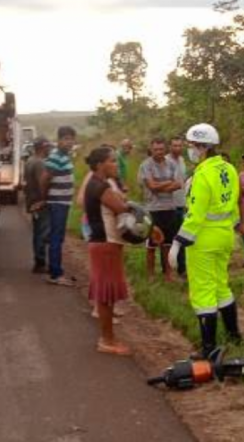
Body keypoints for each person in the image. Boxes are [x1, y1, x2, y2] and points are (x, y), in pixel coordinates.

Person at [168, 123, 244, 359]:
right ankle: (234, 335)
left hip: (203, 239)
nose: (189, 150)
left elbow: (195, 214)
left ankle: (208, 348)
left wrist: (178, 243)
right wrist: (234, 228)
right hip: (224, 236)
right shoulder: (229, 169)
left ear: (201, 147)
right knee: (221, 284)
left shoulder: (202, 175)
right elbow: (233, 203)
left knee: (203, 291)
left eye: (191, 145)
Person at [84, 147, 132, 356]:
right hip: (105, 245)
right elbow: (122, 208)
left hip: (104, 244)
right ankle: (106, 340)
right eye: (112, 161)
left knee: (107, 295)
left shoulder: (96, 184)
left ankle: (109, 338)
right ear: (100, 164)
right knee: (105, 296)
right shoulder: (101, 187)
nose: (116, 165)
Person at [138, 137, 183, 281]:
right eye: (156, 149)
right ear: (151, 149)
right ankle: (150, 275)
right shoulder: (146, 165)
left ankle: (168, 275)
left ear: (165, 149)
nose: (158, 152)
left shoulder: (171, 164)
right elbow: (152, 187)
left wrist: (160, 185)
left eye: (161, 149)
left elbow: (178, 185)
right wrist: (168, 183)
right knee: (151, 245)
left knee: (168, 245)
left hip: (169, 208)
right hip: (153, 210)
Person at [41, 126, 77, 286]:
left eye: (71, 139)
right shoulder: (56, 156)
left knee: (58, 237)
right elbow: (44, 178)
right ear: (59, 140)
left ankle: (55, 270)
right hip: (57, 203)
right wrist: (45, 197)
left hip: (63, 202)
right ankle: (55, 274)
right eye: (66, 139)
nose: (69, 142)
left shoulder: (64, 156)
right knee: (56, 237)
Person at [24, 136, 52, 273]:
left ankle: (38, 261)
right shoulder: (40, 163)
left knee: (37, 232)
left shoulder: (30, 161)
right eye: (48, 147)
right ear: (43, 147)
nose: (49, 150)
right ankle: (40, 262)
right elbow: (42, 183)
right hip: (40, 203)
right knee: (42, 232)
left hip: (32, 201)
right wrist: (45, 199)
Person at [167, 136, 188, 277]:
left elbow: (184, 181)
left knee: (183, 237)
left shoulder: (182, 161)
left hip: (182, 204)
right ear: (170, 146)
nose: (177, 148)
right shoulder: (166, 162)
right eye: (175, 145)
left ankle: (182, 268)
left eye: (180, 146)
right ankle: (170, 270)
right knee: (172, 238)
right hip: (170, 205)